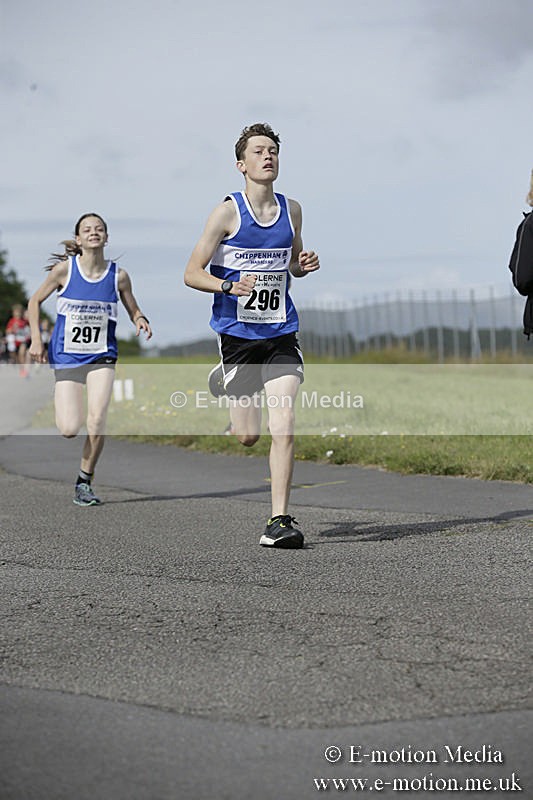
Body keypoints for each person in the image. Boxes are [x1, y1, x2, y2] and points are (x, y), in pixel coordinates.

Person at [184, 123, 320, 548]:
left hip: (280, 331)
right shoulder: (227, 212)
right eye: (259, 151)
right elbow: (191, 273)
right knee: (248, 435)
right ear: (241, 164)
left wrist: (303, 264)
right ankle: (223, 379)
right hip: (237, 334)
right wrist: (227, 286)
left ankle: (278, 519)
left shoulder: (292, 209)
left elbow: (292, 263)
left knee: (285, 422)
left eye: (274, 150)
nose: (268, 156)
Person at [28, 213, 152, 506]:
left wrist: (140, 318)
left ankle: (84, 480)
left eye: (99, 229)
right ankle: (63, 399)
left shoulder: (118, 276)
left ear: (106, 238)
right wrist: (36, 339)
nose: (94, 232)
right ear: (79, 239)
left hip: (101, 355)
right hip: (68, 355)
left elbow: (132, 307)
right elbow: (34, 302)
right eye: (87, 229)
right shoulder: (63, 271)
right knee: (69, 429)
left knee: (97, 420)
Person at [5, 304, 30, 376]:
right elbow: (7, 331)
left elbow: (29, 329)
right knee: (16, 355)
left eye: (19, 312)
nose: (18, 314)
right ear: (13, 313)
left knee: (22, 354)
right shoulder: (11, 321)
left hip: (23, 341)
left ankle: (24, 370)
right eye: (16, 312)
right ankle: (20, 366)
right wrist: (13, 328)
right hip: (15, 341)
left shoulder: (24, 321)